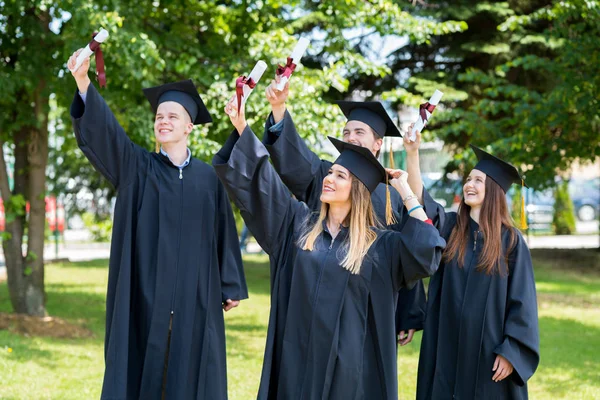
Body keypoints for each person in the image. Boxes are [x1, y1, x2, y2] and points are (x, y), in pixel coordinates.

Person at [213, 97, 446, 399]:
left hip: (352, 375)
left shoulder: (381, 247)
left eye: (340, 175)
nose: (329, 178)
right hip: (297, 365)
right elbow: (264, 184)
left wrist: (406, 193)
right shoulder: (298, 228)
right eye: (330, 172)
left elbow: (426, 249)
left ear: (358, 189)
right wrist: (241, 125)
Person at [67, 50, 248, 400]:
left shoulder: (208, 179)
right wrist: (84, 81)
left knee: (191, 378)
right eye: (159, 116)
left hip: (195, 302)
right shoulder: (138, 168)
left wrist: (228, 284)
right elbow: (107, 133)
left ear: (189, 126)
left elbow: (222, 232)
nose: (163, 121)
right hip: (145, 299)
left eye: (172, 116)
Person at [261, 77, 426, 345]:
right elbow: (295, 160)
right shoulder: (327, 176)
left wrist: (408, 313)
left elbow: (406, 251)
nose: (350, 137)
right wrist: (279, 109)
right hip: (321, 299)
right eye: (347, 132)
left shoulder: (393, 193)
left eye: (359, 132)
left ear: (377, 144)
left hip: (372, 306)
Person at [404, 132, 540, 399]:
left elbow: (522, 302)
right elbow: (420, 202)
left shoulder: (510, 241)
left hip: (489, 356)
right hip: (447, 344)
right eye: (468, 179)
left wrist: (511, 351)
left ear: (495, 191)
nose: (469, 184)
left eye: (478, 180)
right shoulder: (450, 228)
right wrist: (412, 153)